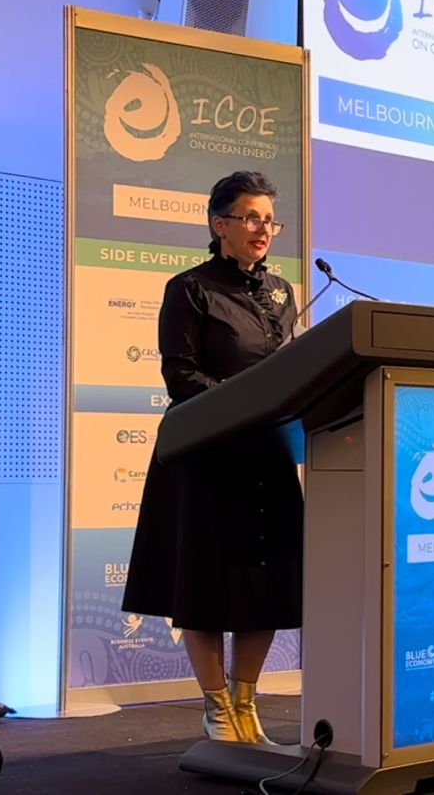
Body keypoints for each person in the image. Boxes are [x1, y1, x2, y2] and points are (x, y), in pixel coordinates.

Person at [122, 170, 302, 743]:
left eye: (270, 219)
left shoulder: (282, 292)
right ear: (219, 224)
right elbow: (180, 373)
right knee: (205, 586)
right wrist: (240, 403)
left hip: (267, 455)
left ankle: (247, 701)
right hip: (205, 455)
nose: (262, 229)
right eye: (250, 217)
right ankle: (217, 705)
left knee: (266, 586)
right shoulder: (191, 288)